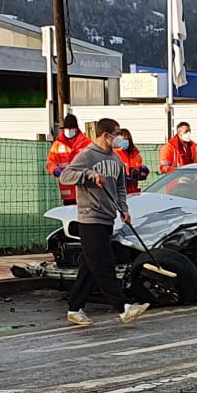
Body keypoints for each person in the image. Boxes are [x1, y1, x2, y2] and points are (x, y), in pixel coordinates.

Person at [56, 118, 152, 327]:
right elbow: (66, 175)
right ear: (106, 135)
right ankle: (123, 307)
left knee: (90, 265)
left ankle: (74, 308)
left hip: (108, 217)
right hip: (90, 217)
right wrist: (89, 175)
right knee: (103, 263)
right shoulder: (87, 155)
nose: (120, 138)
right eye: (117, 133)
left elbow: (120, 189)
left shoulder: (116, 160)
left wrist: (124, 210)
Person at [46, 114, 91, 205]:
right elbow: (50, 163)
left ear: (76, 129)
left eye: (72, 129)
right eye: (67, 129)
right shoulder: (57, 144)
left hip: (84, 190)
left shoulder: (87, 143)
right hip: (67, 191)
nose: (69, 131)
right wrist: (55, 170)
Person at [115, 128, 150, 192]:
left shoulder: (136, 155)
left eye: (126, 139)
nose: (124, 141)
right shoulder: (114, 154)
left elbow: (139, 170)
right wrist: (125, 177)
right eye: (122, 139)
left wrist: (142, 172)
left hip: (134, 191)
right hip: (119, 192)